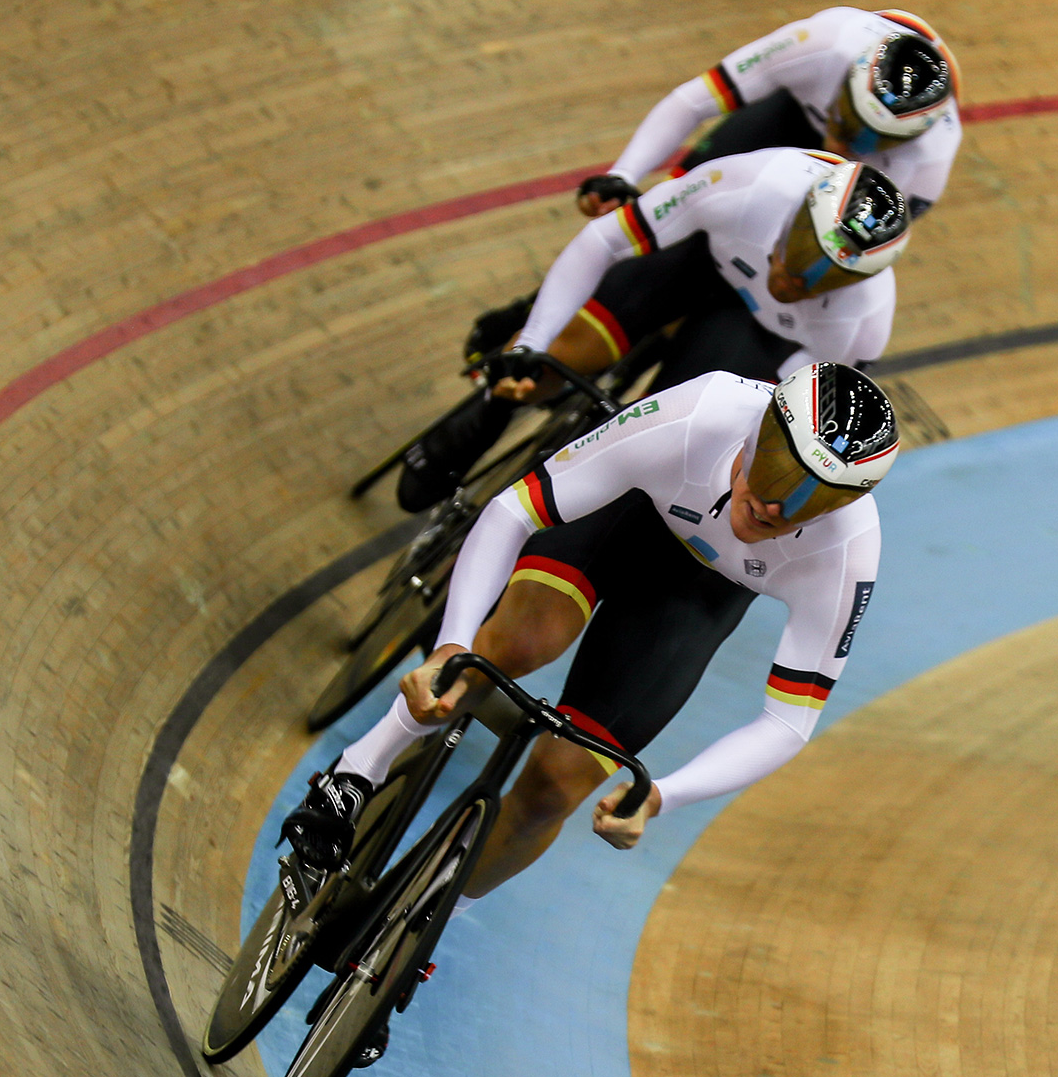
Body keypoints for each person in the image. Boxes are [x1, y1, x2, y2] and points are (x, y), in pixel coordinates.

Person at [284, 361, 894, 917]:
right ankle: (359, 769)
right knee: (518, 641)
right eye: (779, 469)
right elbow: (514, 512)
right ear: (758, 433)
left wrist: (661, 797)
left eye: (817, 495)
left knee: (554, 786)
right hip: (623, 514)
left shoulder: (846, 550)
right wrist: (451, 644)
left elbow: (788, 722)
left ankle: (427, 918)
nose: (777, 504)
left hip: (691, 600)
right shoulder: (699, 416)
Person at [397, 149, 909, 510]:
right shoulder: (752, 183)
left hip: (749, 330)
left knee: (667, 431)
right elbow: (604, 241)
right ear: (797, 215)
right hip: (698, 259)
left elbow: (776, 414)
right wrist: (531, 345)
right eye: (800, 252)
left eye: (825, 276)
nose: (794, 279)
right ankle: (493, 406)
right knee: (561, 353)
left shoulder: (862, 319)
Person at [575, 7, 962, 222]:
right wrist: (623, 175)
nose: (842, 143)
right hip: (793, 115)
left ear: (910, 137)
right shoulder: (824, 45)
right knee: (676, 205)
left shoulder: (927, 166)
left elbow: (852, 259)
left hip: (847, 181)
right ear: (844, 84)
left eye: (869, 137)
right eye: (848, 119)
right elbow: (694, 102)